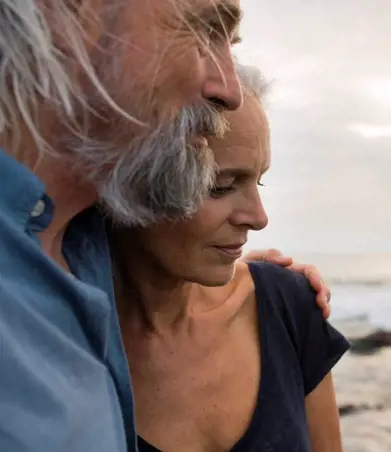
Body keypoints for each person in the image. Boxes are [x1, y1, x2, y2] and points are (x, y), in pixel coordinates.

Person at [0, 1, 331, 451]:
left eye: (259, 179)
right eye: (217, 185)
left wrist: (255, 290)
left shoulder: (71, 252)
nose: (227, 88)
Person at [112, 64, 348, 452]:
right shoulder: (63, 343)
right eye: (220, 186)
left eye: (259, 180)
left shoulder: (288, 305)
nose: (258, 217)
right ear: (130, 180)